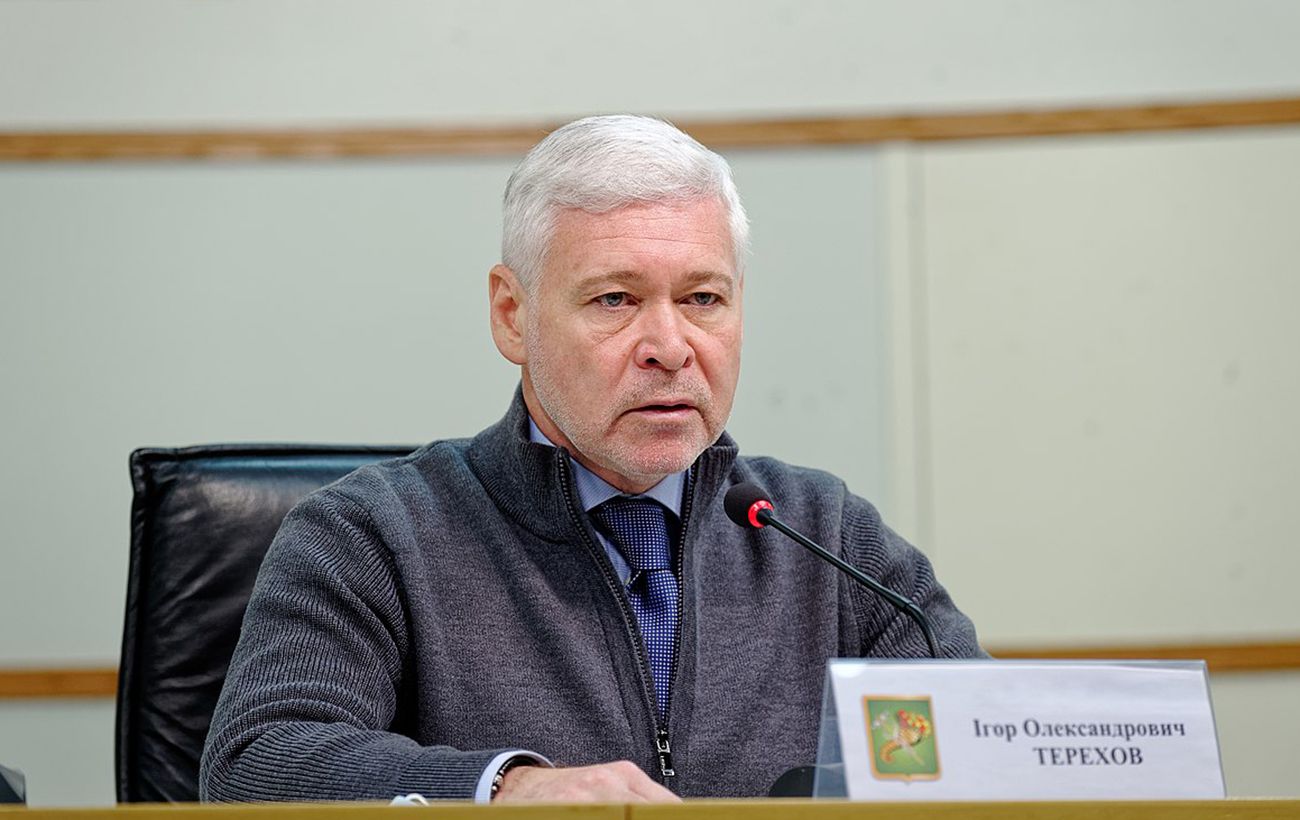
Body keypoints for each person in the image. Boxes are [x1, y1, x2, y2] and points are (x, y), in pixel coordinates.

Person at [199, 115, 983, 804]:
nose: (670, 347)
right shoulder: (373, 535)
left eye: (703, 299)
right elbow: (254, 764)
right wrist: (505, 789)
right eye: (615, 299)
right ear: (512, 315)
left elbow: (991, 744)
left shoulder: (822, 534)